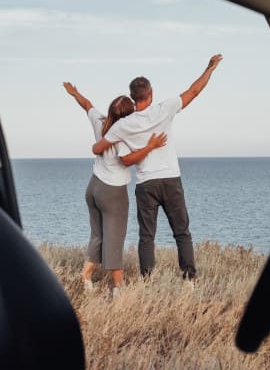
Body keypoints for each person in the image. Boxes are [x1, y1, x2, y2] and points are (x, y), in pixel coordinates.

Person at [91, 54, 224, 281]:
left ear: (133, 97)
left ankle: (147, 281)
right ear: (151, 94)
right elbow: (194, 91)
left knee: (147, 237)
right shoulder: (165, 108)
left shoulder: (123, 125)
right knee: (182, 233)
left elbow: (97, 148)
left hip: (146, 184)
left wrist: (112, 135)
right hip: (171, 179)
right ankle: (189, 279)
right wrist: (209, 69)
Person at [63, 82, 167, 294]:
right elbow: (127, 160)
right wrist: (150, 146)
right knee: (115, 240)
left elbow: (87, 105)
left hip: (93, 187)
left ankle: (85, 277)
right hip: (113, 192)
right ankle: (118, 288)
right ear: (128, 116)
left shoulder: (100, 122)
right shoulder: (122, 137)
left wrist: (75, 93)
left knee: (97, 235)